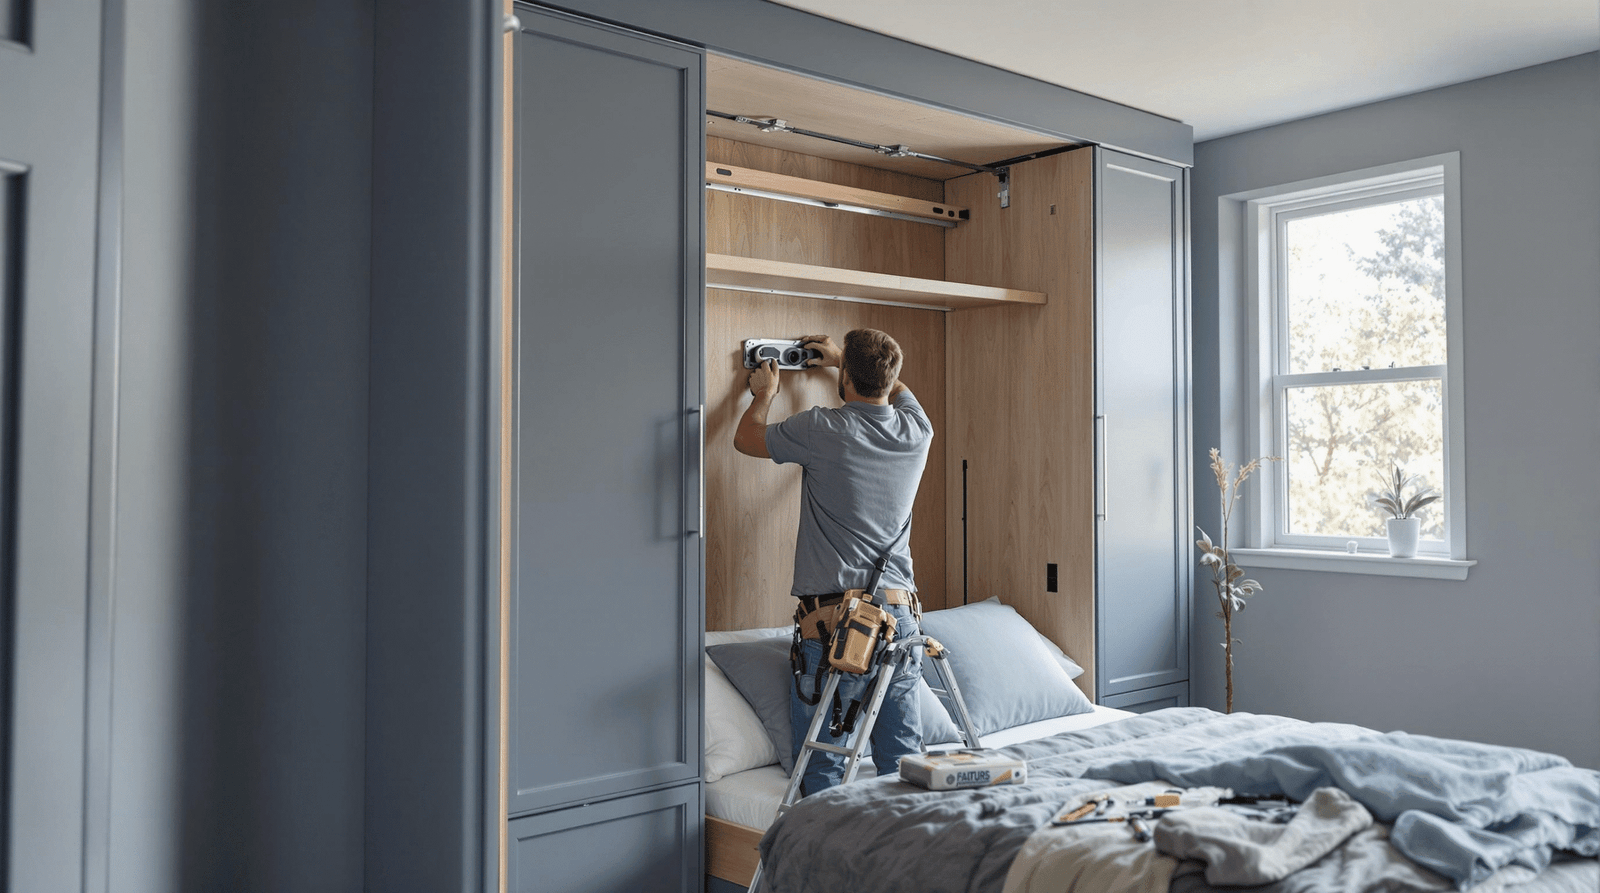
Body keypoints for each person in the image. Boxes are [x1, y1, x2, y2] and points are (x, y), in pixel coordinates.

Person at [733, 328, 933, 795]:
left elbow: (746, 439)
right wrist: (843, 360)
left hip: (833, 623)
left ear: (844, 378)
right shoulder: (917, 430)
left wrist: (766, 394)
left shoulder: (823, 428)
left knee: (821, 772)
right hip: (899, 616)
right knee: (904, 762)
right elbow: (898, 390)